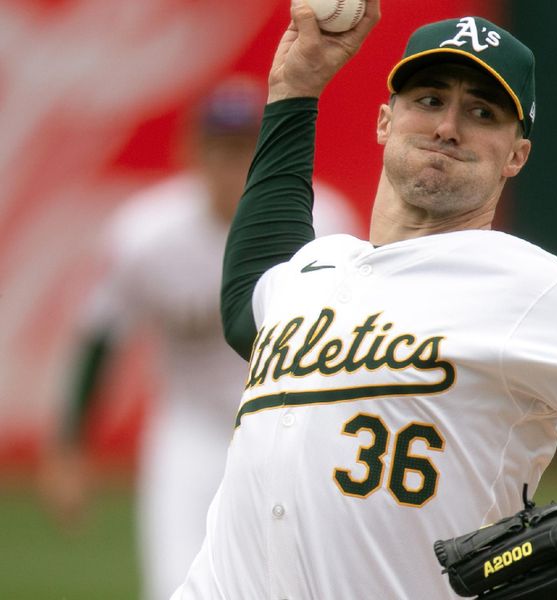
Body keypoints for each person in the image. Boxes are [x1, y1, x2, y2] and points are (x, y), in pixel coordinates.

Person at [172, 2, 557, 598]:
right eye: (428, 100)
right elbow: (248, 299)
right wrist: (294, 90)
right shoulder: (312, 271)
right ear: (383, 122)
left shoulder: (538, 291)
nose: (448, 126)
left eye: (481, 111)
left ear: (517, 155)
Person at [38, 75, 363, 600]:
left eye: (243, 148)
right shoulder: (147, 234)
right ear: (192, 150)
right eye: (219, 147)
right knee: (175, 584)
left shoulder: (322, 222)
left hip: (292, 429)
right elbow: (101, 337)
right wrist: (72, 448)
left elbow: (359, 342)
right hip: (191, 432)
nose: (230, 164)